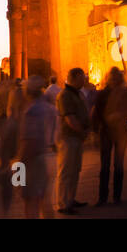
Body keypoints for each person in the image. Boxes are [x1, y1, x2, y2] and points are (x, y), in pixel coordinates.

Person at [92, 66, 127, 206]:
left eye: (116, 77)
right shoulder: (103, 94)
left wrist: (119, 115)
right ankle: (102, 197)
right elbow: (97, 114)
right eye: (112, 77)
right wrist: (95, 133)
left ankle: (117, 196)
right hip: (106, 132)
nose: (114, 80)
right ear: (108, 79)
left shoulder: (125, 92)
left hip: (121, 132)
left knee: (118, 165)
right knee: (105, 166)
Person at [16, 77, 56, 218]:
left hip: (35, 161)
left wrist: (18, 174)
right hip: (51, 156)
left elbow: (29, 143)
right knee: (46, 202)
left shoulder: (32, 111)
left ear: (27, 91)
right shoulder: (51, 108)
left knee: (31, 202)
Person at [55, 67, 91, 214]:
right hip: (68, 137)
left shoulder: (76, 94)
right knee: (66, 171)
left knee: (75, 170)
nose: (85, 80)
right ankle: (63, 203)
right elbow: (69, 118)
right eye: (82, 78)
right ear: (75, 78)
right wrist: (82, 132)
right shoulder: (65, 96)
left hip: (76, 137)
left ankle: (70, 198)